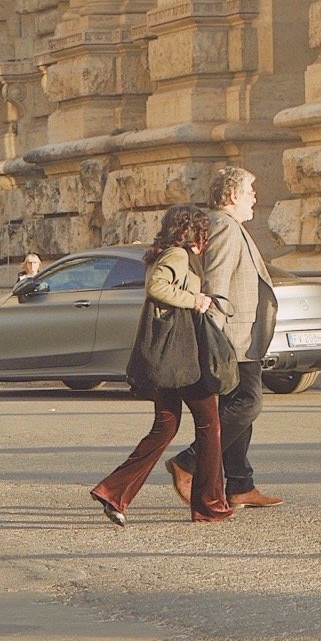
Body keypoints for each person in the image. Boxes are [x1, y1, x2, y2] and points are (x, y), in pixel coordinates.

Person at [89, 205, 233, 526]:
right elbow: (156, 287)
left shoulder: (173, 254)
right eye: (202, 230)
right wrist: (195, 300)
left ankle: (113, 492)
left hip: (169, 358)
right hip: (180, 358)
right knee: (210, 425)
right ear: (193, 231)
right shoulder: (178, 255)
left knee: (165, 427)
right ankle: (209, 504)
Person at [166, 166, 283, 510]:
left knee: (236, 407)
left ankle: (241, 484)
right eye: (250, 192)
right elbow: (215, 284)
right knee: (249, 403)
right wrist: (213, 337)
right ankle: (188, 462)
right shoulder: (225, 228)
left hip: (241, 334)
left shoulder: (229, 227)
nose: (255, 198)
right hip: (232, 336)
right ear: (232, 195)